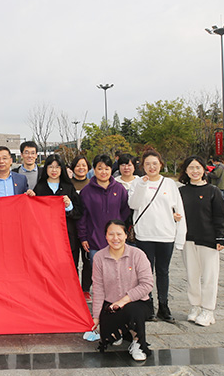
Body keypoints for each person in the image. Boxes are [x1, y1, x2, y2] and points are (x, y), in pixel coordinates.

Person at [128, 148, 186, 323]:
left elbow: (179, 209)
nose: (151, 167)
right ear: (142, 166)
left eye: (155, 163)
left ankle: (163, 305)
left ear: (160, 164)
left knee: (163, 271)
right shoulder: (137, 183)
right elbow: (133, 204)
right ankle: (148, 305)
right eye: (147, 164)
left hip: (165, 235)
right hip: (144, 235)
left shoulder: (169, 184)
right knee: (146, 272)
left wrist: (180, 236)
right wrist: (142, 185)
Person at [92, 220, 154, 361]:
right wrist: (96, 317)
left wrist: (123, 300)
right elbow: (98, 288)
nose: (115, 238)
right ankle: (121, 332)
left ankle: (138, 343)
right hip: (111, 304)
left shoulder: (137, 254)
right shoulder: (99, 257)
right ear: (105, 236)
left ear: (126, 235)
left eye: (119, 234)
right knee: (107, 335)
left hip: (137, 302)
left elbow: (147, 284)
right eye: (111, 234)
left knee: (133, 311)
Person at [178, 155, 224, 327]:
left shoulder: (213, 191)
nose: (195, 171)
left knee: (209, 276)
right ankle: (195, 306)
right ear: (186, 171)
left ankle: (208, 310)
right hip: (188, 240)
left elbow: (221, 216)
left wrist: (221, 236)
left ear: (204, 170)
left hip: (209, 240)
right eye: (191, 168)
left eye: (198, 167)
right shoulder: (181, 192)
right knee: (192, 275)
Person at [78, 154, 130, 300]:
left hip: (115, 241)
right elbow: (82, 217)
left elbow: (125, 211)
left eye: (107, 168)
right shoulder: (86, 191)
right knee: (98, 274)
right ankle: (100, 302)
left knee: (116, 272)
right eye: (100, 168)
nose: (103, 172)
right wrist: (83, 237)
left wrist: (119, 231)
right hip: (94, 240)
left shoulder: (119, 189)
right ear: (94, 170)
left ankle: (114, 300)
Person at [33, 154, 82, 271]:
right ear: (46, 169)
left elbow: (78, 212)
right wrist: (31, 199)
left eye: (57, 167)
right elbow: (33, 214)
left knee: (69, 268)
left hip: (67, 236)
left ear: (62, 169)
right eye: (50, 167)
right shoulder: (40, 188)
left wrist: (69, 206)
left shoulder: (68, 187)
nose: (54, 170)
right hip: (46, 237)